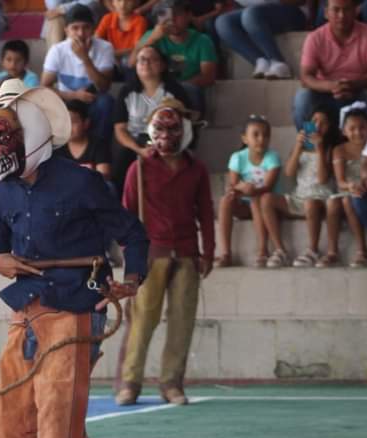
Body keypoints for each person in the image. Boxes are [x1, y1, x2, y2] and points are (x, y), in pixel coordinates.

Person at [0, 79, 146, 438]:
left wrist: (132, 277)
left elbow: (131, 234)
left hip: (76, 308)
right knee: (1, 429)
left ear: (29, 133)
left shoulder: (83, 181)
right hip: (25, 312)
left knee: (56, 423)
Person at [117, 100, 213, 407]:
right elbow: (127, 215)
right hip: (151, 253)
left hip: (186, 252)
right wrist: (131, 255)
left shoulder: (196, 169)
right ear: (150, 130)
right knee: (143, 320)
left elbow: (206, 213)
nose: (167, 135)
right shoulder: (139, 167)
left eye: (174, 129)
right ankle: (130, 383)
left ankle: (171, 383)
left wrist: (208, 251)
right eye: (161, 128)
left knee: (181, 322)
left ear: (185, 131)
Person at [112, 46, 193, 190]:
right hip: (135, 142)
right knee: (122, 158)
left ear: (162, 65)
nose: (146, 63)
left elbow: (183, 123)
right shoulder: (127, 92)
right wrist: (138, 149)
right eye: (141, 59)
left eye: (152, 59)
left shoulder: (175, 91)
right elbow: (120, 129)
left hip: (166, 139)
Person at [216, 115, 285, 268]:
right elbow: (233, 186)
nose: (261, 139)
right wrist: (241, 189)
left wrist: (249, 190)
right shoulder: (237, 158)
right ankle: (226, 253)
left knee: (256, 198)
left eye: (266, 135)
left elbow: (267, 187)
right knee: (225, 200)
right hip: (244, 205)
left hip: (267, 206)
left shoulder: (272, 157)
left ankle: (263, 250)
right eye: (256, 134)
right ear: (245, 138)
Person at [41, 5, 116, 145]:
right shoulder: (57, 50)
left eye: (86, 27)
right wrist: (74, 95)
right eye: (75, 28)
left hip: (92, 100)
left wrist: (85, 58)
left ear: (93, 29)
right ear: (66, 31)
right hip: (67, 101)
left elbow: (104, 86)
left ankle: (98, 149)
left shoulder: (105, 47)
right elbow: (45, 87)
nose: (81, 33)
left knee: (106, 101)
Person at [131, 0, 217, 116]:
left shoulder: (202, 41)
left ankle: (194, 126)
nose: (171, 20)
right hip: (156, 86)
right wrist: (152, 39)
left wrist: (174, 88)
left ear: (188, 16)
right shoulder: (152, 35)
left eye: (177, 14)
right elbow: (131, 63)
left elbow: (208, 77)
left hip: (186, 88)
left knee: (190, 90)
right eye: (164, 15)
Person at [294, 0, 367, 129]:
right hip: (325, 93)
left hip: (359, 92)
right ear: (326, 13)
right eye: (336, 10)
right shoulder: (315, 38)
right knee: (303, 98)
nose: (341, 15)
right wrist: (331, 86)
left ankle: (365, 147)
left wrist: (352, 85)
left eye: (347, 9)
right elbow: (305, 77)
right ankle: (310, 145)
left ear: (356, 11)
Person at [280, 107, 339, 268]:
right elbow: (289, 172)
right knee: (267, 201)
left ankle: (312, 249)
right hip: (301, 195)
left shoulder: (330, 150)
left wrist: (320, 151)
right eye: (314, 121)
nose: (318, 125)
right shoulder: (300, 149)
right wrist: (298, 148)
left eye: (324, 122)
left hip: (323, 197)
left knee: (311, 202)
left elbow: (322, 179)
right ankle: (279, 250)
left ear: (330, 127)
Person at [215, 0, 307, 80]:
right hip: (257, 12)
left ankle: (278, 61)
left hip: (294, 11)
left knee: (250, 14)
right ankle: (260, 60)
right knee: (223, 22)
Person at [330, 103, 367, 267]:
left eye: (362, 127)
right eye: (352, 128)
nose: (358, 132)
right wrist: (351, 185)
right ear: (343, 131)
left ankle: (362, 251)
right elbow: (340, 181)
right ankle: (336, 251)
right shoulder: (339, 150)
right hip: (348, 188)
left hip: (366, 189)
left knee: (351, 200)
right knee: (341, 201)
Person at [55, 99, 113, 181]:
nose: (68, 126)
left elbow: (104, 176)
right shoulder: (58, 148)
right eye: (64, 122)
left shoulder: (98, 144)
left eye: (73, 121)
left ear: (86, 123)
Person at [96, 0, 147, 74]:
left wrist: (113, 53)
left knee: (132, 59)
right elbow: (96, 41)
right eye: (119, 0)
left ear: (135, 3)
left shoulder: (140, 21)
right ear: (113, 2)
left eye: (128, 1)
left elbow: (137, 48)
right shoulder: (107, 18)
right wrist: (111, 54)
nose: (123, 5)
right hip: (112, 57)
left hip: (130, 57)